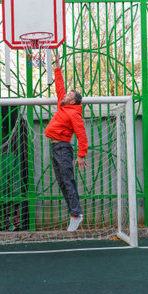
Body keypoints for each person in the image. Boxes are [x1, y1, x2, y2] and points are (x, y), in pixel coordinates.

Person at [44, 54, 88, 232]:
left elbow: (81, 134)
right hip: (55, 147)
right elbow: (59, 86)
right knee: (62, 182)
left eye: (69, 94)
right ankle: (74, 213)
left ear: (73, 100)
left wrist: (81, 155)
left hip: (63, 148)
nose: (65, 94)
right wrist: (57, 66)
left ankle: (76, 214)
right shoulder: (64, 106)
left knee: (68, 181)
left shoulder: (74, 113)